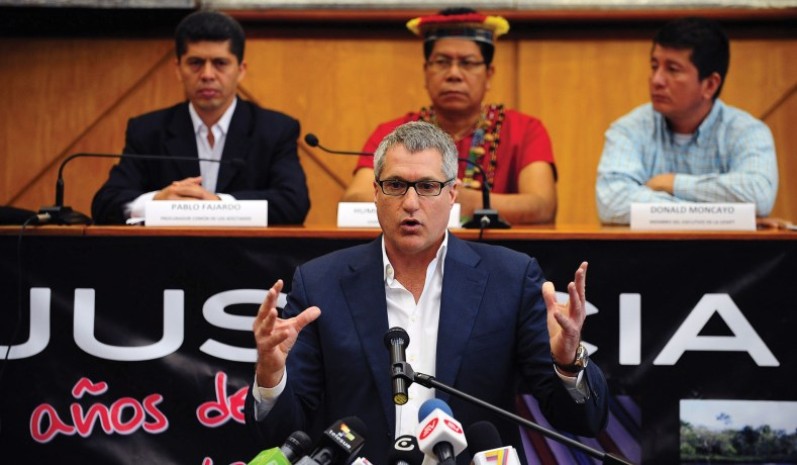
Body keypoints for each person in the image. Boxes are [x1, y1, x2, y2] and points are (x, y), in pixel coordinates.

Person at [245, 121, 608, 465]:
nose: (411, 202)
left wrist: (568, 362)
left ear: (453, 194)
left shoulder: (509, 279)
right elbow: (280, 434)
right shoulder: (321, 283)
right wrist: (271, 376)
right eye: (396, 185)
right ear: (375, 192)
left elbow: (584, 421)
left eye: (428, 187)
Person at [341, 8, 557, 225]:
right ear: (426, 72)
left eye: (468, 63)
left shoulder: (525, 129)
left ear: (489, 75)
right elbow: (354, 200)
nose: (454, 74)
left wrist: (471, 201)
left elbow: (542, 205)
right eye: (442, 62)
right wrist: (429, 197)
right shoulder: (393, 134)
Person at [91, 10, 310, 225]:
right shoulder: (148, 130)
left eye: (220, 63)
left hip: (244, 258)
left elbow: (294, 202)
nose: (207, 75)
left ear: (241, 70)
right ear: (178, 69)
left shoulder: (275, 130)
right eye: (195, 62)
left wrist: (219, 205)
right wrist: (156, 201)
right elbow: (105, 203)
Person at [595, 16, 778, 225]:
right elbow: (612, 202)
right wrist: (724, 216)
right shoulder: (628, 129)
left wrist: (673, 183)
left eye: (672, 69)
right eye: (654, 66)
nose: (656, 80)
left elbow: (759, 195)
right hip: (648, 256)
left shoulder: (747, 131)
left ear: (710, 85)